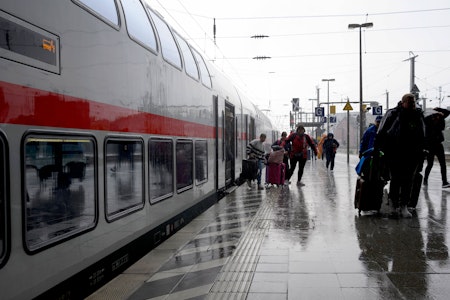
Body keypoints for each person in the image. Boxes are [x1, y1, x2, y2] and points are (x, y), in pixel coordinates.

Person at [375, 93, 425, 218]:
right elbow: (382, 132)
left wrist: (422, 150)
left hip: (412, 154)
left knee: (408, 181)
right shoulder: (394, 114)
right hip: (395, 153)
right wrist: (379, 149)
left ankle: (403, 206)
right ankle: (393, 205)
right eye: (410, 102)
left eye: (413, 102)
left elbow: (422, 134)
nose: (412, 104)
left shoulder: (418, 115)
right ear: (403, 102)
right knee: (396, 179)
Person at [423, 107, 450, 187]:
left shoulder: (441, 118)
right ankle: (425, 179)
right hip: (430, 145)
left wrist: (438, 110)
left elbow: (448, 112)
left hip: (438, 144)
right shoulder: (427, 119)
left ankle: (444, 182)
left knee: (443, 164)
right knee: (430, 164)